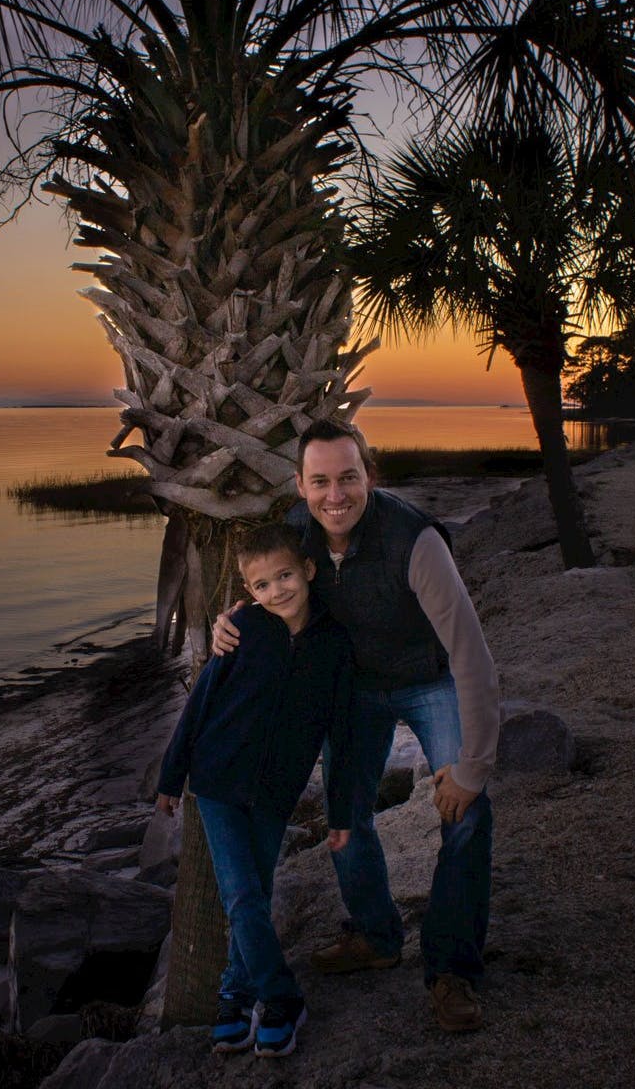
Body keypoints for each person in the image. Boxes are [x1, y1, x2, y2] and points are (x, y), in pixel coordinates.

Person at [213, 419, 499, 1033]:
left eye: (348, 477)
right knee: (347, 816)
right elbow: (267, 591)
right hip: (354, 691)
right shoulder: (296, 531)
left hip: (429, 678)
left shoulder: (414, 540)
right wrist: (228, 622)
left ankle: (452, 970)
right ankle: (376, 935)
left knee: (467, 811)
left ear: (369, 475)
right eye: (320, 482)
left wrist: (473, 768)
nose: (334, 495)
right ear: (301, 484)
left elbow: (472, 654)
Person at [156, 522, 355, 1058]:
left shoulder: (333, 644)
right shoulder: (241, 629)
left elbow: (341, 728)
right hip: (217, 784)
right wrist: (171, 777)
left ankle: (236, 995)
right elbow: (200, 704)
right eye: (263, 585)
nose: (278, 592)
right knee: (242, 896)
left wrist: (345, 807)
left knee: (254, 895)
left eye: (286, 576)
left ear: (308, 570)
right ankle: (281, 996)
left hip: (274, 793)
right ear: (250, 590)